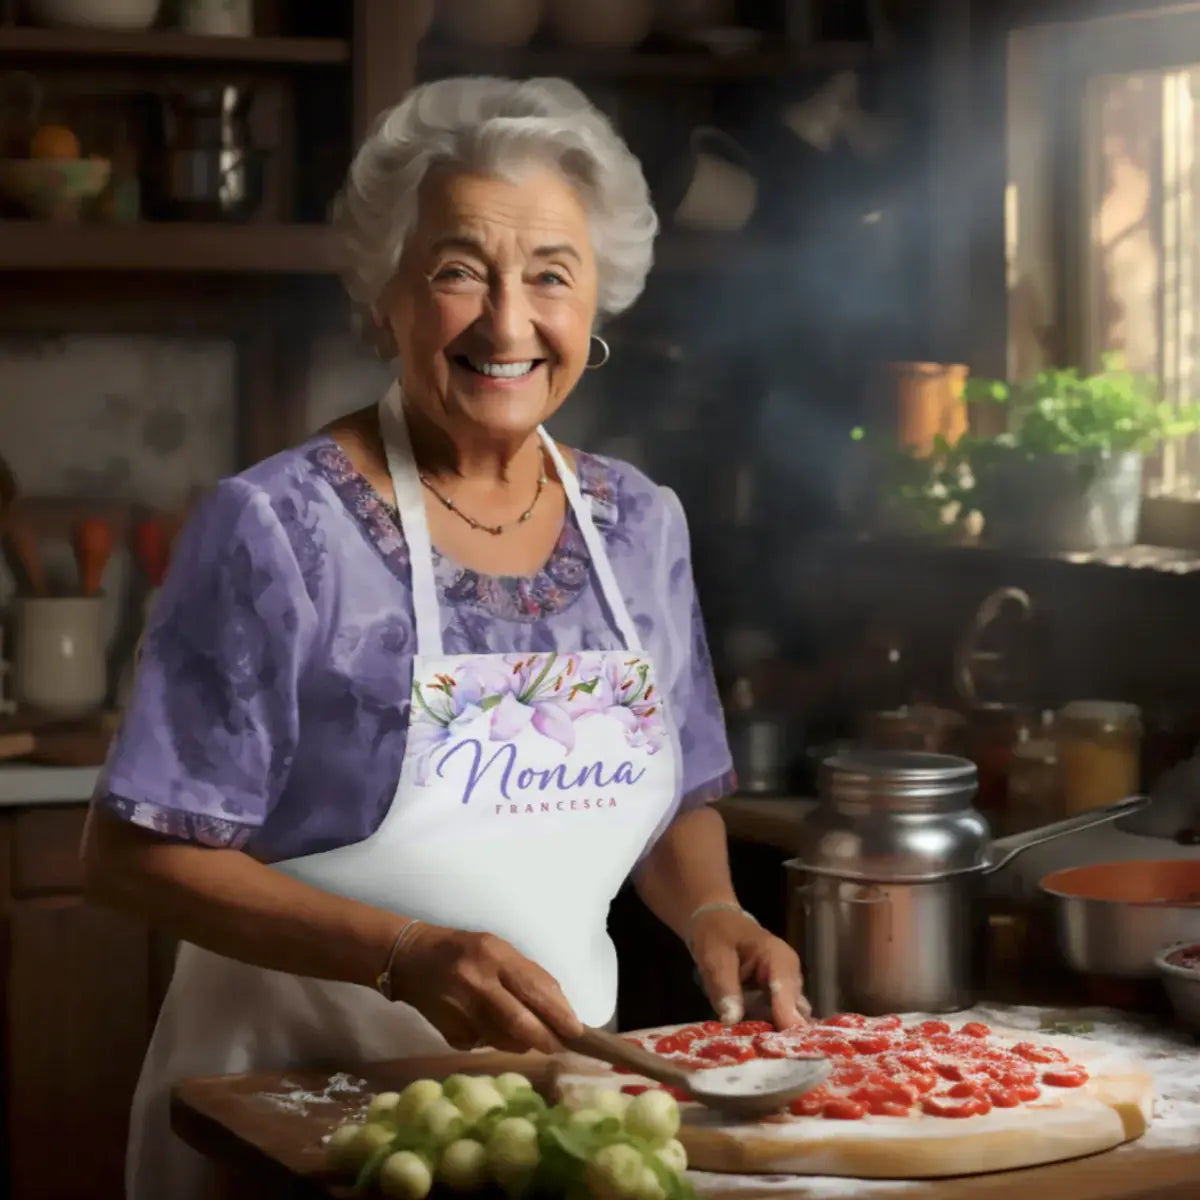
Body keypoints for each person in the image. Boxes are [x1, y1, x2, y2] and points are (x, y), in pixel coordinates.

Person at [82, 75, 809, 1200]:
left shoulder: (638, 525)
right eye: (459, 270)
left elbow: (677, 796)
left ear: (596, 302)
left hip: (555, 1120)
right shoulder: (279, 527)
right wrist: (401, 953)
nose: (507, 323)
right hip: (284, 1114)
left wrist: (714, 909)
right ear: (388, 297)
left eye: (550, 278)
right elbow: (130, 854)